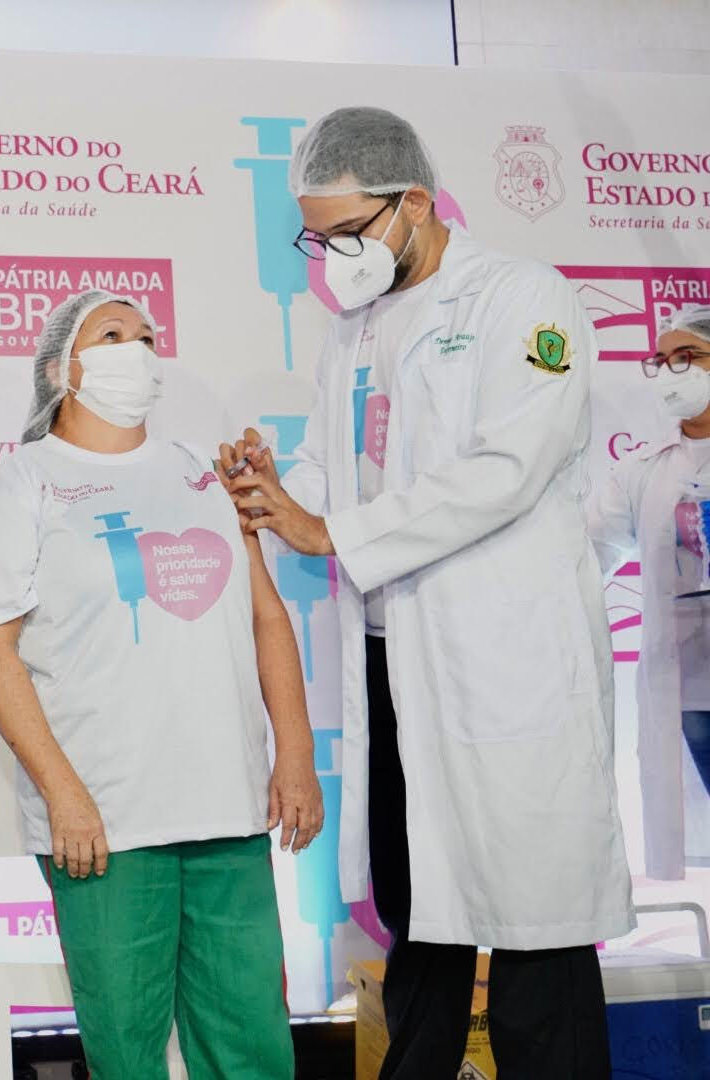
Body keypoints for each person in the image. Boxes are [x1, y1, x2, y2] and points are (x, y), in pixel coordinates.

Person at [223, 106, 632, 1079]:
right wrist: (274, 492)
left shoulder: (520, 298)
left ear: (413, 202)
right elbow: (336, 472)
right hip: (389, 656)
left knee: (535, 930)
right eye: (318, 238)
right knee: (418, 918)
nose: (334, 256)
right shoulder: (353, 328)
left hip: (504, 658)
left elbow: (507, 469)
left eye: (348, 232)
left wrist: (333, 533)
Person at [0, 291, 319, 1079]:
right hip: (106, 822)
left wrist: (295, 754)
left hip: (227, 808)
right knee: (128, 1052)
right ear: (62, 368)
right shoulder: (20, 483)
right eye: (113, 333)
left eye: (148, 336)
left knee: (252, 1043)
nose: (138, 348)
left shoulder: (199, 473)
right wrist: (63, 794)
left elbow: (265, 616)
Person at [587, 304, 710, 881]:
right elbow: (587, 550)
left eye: (688, 357)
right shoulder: (645, 469)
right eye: (661, 361)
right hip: (689, 688)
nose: (670, 372)